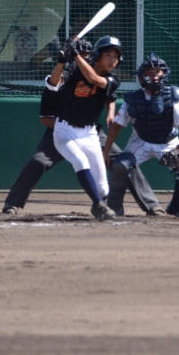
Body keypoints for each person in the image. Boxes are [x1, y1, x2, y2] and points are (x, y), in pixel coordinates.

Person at [2, 39, 163, 217]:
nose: (85, 58)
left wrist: (110, 113)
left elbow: (108, 95)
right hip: (61, 129)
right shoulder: (70, 72)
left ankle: (151, 205)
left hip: (91, 131)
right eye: (81, 54)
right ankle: (12, 204)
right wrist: (71, 130)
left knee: (123, 160)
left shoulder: (110, 77)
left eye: (87, 55)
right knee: (38, 162)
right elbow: (46, 118)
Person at [103, 54, 179, 218]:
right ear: (142, 77)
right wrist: (106, 151)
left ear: (164, 74)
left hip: (168, 142)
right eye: (150, 73)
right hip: (141, 141)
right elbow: (116, 125)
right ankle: (114, 208)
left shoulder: (173, 96)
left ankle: (178, 207)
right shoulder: (133, 99)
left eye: (158, 72)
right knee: (120, 166)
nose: (154, 76)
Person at [44, 36, 122, 221]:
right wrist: (62, 62)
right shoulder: (74, 68)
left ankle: (98, 203)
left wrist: (75, 53)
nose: (112, 60)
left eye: (115, 57)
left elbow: (93, 79)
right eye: (108, 55)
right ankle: (99, 206)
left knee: (102, 189)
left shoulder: (113, 79)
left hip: (89, 133)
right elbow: (53, 84)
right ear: (98, 55)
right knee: (79, 161)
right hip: (65, 130)